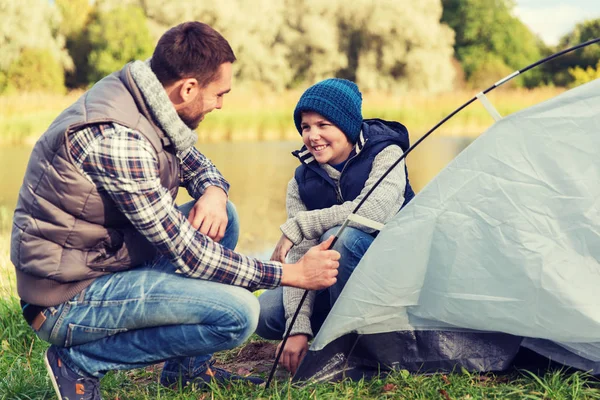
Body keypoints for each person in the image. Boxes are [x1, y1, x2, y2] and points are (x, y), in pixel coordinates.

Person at [10, 21, 341, 399]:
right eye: (219, 94)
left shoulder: (147, 99)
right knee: (238, 316)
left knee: (224, 216)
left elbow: (196, 164)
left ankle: (187, 371)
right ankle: (80, 363)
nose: (220, 104)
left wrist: (214, 191)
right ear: (187, 88)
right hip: (65, 301)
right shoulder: (118, 140)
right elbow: (191, 256)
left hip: (99, 262)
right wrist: (291, 273)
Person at [255, 78, 415, 374]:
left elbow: (373, 211)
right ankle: (330, 328)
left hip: (393, 277)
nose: (312, 135)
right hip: (333, 282)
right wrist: (296, 328)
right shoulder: (300, 181)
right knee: (265, 313)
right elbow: (299, 254)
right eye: (305, 127)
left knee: (339, 238)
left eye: (323, 124)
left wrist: (303, 223)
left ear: (347, 125)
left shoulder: (386, 153)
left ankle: (361, 341)